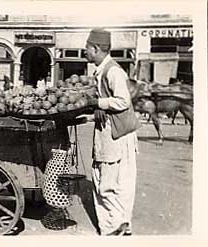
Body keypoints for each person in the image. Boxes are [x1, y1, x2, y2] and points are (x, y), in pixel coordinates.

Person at [85, 28, 140, 236]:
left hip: (116, 135)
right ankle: (122, 225)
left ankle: (114, 227)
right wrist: (98, 107)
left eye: (87, 49)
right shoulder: (102, 70)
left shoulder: (113, 71)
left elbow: (123, 101)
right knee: (120, 184)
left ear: (96, 48)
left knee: (106, 182)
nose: (86, 53)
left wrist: (97, 102)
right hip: (118, 133)